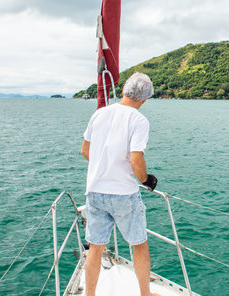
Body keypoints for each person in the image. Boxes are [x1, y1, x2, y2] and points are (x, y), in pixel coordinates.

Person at [80, 72, 160, 296]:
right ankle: (145, 294)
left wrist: (106, 166)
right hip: (123, 194)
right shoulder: (139, 120)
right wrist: (146, 179)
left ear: (124, 89)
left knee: (95, 248)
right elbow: (136, 159)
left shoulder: (99, 114)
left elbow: (86, 151)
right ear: (145, 99)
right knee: (139, 245)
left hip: (95, 191)